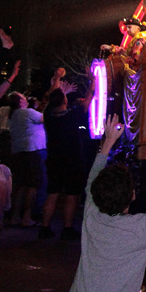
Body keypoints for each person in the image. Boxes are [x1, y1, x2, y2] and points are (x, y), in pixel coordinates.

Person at [70, 114, 146, 292]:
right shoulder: (140, 227)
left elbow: (91, 180)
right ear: (132, 195)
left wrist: (108, 142)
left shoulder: (92, 214)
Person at [40, 87, 94, 240]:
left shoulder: (49, 116)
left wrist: (57, 83)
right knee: (72, 194)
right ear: (65, 100)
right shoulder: (71, 116)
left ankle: (44, 227)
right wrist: (93, 81)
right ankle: (67, 228)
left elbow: (50, 102)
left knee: (52, 193)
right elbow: (88, 100)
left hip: (54, 159)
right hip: (72, 160)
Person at [8, 91, 45, 226]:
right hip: (32, 151)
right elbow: (46, 118)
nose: (26, 98)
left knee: (21, 186)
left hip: (18, 152)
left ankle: (15, 216)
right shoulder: (27, 112)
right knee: (33, 185)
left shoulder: (12, 116)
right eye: (23, 97)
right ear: (20, 102)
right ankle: (27, 217)